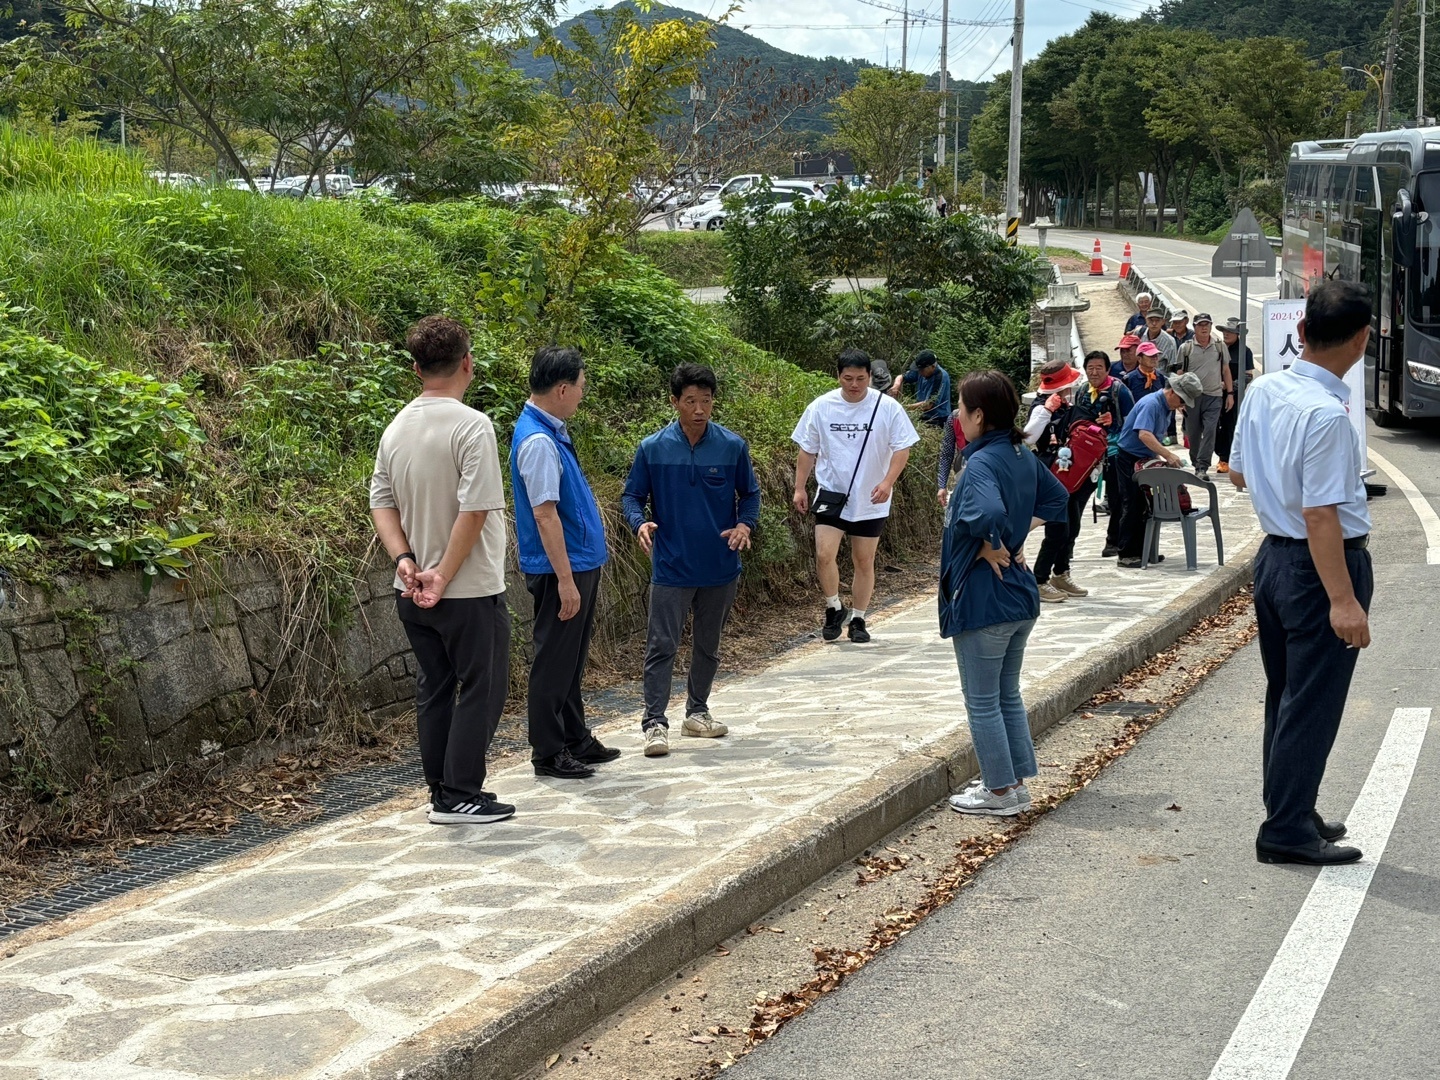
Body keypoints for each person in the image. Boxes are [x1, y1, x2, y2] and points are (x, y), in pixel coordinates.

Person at [1230, 280, 1373, 866]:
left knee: (1286, 694)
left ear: (1302, 332)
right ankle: (1287, 830)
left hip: (1274, 561)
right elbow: (1321, 516)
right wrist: (1344, 600)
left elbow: (1238, 473)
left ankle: (1292, 807)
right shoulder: (1327, 417)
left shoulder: (1265, 390)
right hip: (1319, 567)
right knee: (1311, 701)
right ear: (1363, 340)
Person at [370, 316, 514, 825]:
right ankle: (461, 794)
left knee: (435, 686)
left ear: (416, 368)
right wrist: (444, 575)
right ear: (467, 363)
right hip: (468, 589)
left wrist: (406, 562)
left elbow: (381, 503)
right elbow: (475, 510)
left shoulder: (395, 428)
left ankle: (441, 790)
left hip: (409, 591)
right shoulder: (473, 425)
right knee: (484, 685)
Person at [939, 370, 1070, 816]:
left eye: (960, 407)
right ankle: (1013, 783)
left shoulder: (979, 464)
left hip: (985, 599)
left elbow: (988, 510)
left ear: (978, 415)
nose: (958, 415)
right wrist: (1014, 539)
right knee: (1006, 695)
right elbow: (1056, 501)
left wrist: (991, 543)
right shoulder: (1019, 452)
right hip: (1019, 596)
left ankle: (998, 792)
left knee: (981, 701)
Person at [622, 364, 762, 759]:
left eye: (706, 401)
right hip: (671, 565)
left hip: (720, 565)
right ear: (674, 402)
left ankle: (697, 712)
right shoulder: (652, 448)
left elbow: (750, 495)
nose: (699, 409)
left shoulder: (732, 446)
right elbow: (631, 496)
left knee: (709, 645)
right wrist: (639, 523)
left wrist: (743, 525)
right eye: (690, 401)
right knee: (661, 645)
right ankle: (654, 724)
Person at [511, 345, 620, 780]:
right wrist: (565, 580)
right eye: (580, 387)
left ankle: (575, 737)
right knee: (554, 660)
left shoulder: (549, 429)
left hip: (576, 562)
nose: (581, 395)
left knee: (570, 659)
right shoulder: (538, 440)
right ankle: (549, 751)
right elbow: (544, 513)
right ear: (561, 388)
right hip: (563, 567)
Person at [793, 349, 920, 643]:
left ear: (869, 378)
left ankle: (859, 618)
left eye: (860, 379)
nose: (854, 384)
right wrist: (800, 487)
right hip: (832, 492)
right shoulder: (821, 407)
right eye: (848, 378)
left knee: (864, 560)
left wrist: (888, 482)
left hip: (871, 497)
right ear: (838, 376)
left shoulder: (886, 407)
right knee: (824, 554)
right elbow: (807, 449)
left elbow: (902, 448)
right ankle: (834, 606)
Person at [1113, 371, 1203, 569]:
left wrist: (1161, 457)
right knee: (1132, 504)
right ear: (1172, 391)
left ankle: (1146, 551)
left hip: (1145, 457)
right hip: (1129, 457)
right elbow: (1144, 434)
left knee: (1147, 505)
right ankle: (1126, 553)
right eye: (1181, 400)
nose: (1181, 405)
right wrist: (1168, 455)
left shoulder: (1167, 406)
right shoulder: (1151, 404)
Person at [1023, 359, 1087, 603]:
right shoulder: (1042, 408)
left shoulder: (1065, 405)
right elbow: (1028, 438)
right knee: (1057, 529)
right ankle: (1039, 579)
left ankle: (1061, 573)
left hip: (1065, 474)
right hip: (1049, 474)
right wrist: (1047, 411)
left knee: (1071, 527)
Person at [1072, 350, 1134, 559]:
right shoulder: (1082, 392)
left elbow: (1132, 421)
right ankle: (1067, 543)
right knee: (1077, 498)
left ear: (1108, 369)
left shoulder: (1120, 391)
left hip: (1114, 450)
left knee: (1117, 498)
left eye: (1099, 367)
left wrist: (1114, 422)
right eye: (1090, 368)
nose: (1095, 372)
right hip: (1088, 453)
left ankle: (1113, 542)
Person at [1177, 313, 1234, 481]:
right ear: (1194, 327)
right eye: (1200, 325)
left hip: (1214, 396)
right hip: (1192, 397)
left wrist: (1229, 393)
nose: (1204, 328)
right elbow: (1179, 374)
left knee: (1210, 430)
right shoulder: (1185, 348)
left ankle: (1202, 465)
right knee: (1193, 433)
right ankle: (1196, 462)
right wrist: (1180, 399)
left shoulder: (1219, 346)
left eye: (1207, 324)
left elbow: (1225, 371)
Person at [1215, 316, 1256, 475]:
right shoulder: (1217, 348)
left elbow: (1248, 376)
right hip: (1215, 392)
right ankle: (1220, 454)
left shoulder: (1244, 351)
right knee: (1214, 426)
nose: (1226, 334)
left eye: (1230, 332)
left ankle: (1227, 459)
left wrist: (1230, 387)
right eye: (1225, 331)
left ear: (1238, 333)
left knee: (1230, 426)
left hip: (1235, 396)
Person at [889, 349, 952, 426]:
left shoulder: (940, 377)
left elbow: (929, 404)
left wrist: (903, 407)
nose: (919, 372)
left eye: (922, 370)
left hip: (937, 419)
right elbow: (901, 377)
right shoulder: (920, 370)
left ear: (932, 366)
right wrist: (896, 385)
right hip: (923, 415)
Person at [936, 411, 968, 507]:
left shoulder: (989, 417)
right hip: (963, 471)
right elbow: (947, 453)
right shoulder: (954, 418)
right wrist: (942, 485)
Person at [1138, 309, 1178, 373]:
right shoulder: (1139, 333)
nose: (1154, 324)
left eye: (1157, 320)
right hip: (1139, 375)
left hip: (1159, 378)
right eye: (1151, 320)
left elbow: (1172, 365)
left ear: (1163, 322)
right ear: (1146, 320)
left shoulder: (1170, 341)